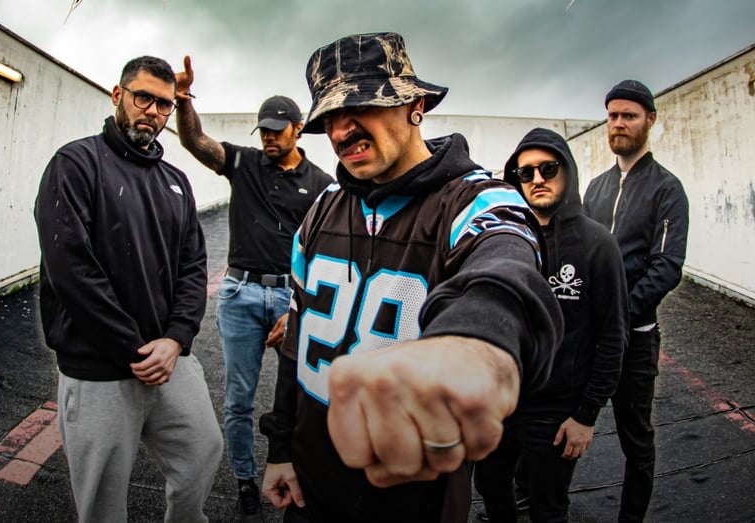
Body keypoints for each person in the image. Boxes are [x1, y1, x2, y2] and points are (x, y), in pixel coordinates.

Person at [258, 32, 564, 523]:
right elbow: (297, 337)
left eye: (361, 106)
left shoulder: (477, 200)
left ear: (415, 105)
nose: (341, 131)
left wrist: (476, 343)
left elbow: (504, 267)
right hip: (311, 488)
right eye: (330, 117)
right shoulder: (320, 210)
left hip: (418, 498)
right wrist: (280, 447)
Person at [33, 56, 222, 523]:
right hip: (99, 368)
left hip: (170, 361)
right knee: (102, 504)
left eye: (164, 104)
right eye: (143, 98)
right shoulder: (75, 164)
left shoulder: (175, 181)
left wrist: (176, 339)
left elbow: (193, 267)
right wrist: (132, 348)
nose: (153, 112)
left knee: (203, 450)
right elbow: (72, 270)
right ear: (118, 95)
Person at [173, 56, 333, 522]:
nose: (268, 138)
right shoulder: (243, 163)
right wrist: (182, 101)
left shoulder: (322, 185)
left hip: (290, 298)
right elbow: (195, 141)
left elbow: (324, 255)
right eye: (263, 130)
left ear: (298, 130)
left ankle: (297, 473)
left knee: (306, 396)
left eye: (277, 130)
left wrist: (299, 308)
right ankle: (245, 480)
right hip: (239, 296)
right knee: (238, 399)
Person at [474, 128, 629, 522]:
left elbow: (613, 336)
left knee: (548, 507)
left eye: (548, 168)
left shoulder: (597, 243)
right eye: (525, 173)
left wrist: (586, 415)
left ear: (567, 171)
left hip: (557, 410)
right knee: (490, 485)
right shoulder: (503, 239)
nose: (537, 179)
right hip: (502, 402)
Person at [583, 80, 690, 522]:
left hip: (636, 339)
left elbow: (667, 266)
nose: (619, 123)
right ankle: (536, 497)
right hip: (588, 336)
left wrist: (617, 317)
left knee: (636, 437)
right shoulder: (595, 188)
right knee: (562, 418)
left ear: (650, 120)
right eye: (613, 116)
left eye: (629, 115)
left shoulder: (667, 189)